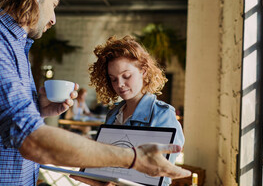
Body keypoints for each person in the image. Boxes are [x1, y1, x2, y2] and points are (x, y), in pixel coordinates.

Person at [0, 0, 191, 185]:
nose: (53, 18)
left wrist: (37, 108)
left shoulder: (14, 48)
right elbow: (30, 138)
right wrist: (133, 158)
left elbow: (4, 125)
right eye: (54, 3)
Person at [71, 35, 185, 186]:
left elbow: (160, 175)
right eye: (113, 79)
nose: (120, 84)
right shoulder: (113, 114)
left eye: (126, 76)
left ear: (143, 71)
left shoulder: (163, 114)